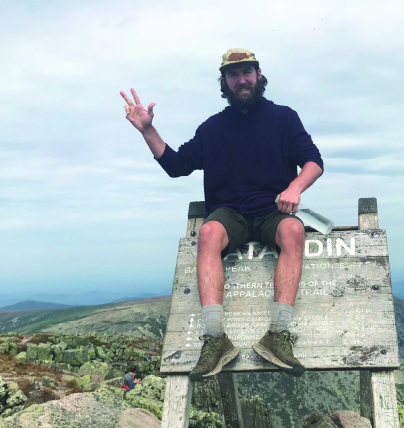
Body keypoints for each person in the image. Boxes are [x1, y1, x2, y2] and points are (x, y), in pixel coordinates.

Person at [121, 48, 323, 381]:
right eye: (233, 74)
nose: (241, 80)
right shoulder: (212, 129)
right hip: (230, 215)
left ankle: (277, 335)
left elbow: (314, 161)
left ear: (258, 76)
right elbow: (177, 165)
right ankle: (215, 339)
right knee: (209, 233)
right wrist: (147, 131)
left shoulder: (284, 118)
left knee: (294, 232)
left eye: (246, 72)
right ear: (225, 82)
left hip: (273, 209)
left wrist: (295, 188)